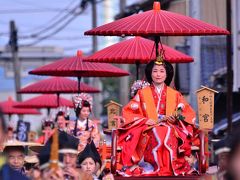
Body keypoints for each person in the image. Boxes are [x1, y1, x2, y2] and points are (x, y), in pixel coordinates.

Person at [118, 56, 198, 176]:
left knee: (166, 130)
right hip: (147, 128)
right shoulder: (142, 93)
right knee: (157, 131)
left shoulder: (175, 94)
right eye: (155, 71)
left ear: (167, 74)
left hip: (171, 127)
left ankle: (170, 166)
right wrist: (145, 120)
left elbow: (187, 113)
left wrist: (176, 119)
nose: (158, 74)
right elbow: (129, 112)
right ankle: (152, 165)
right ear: (150, 74)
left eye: (162, 71)